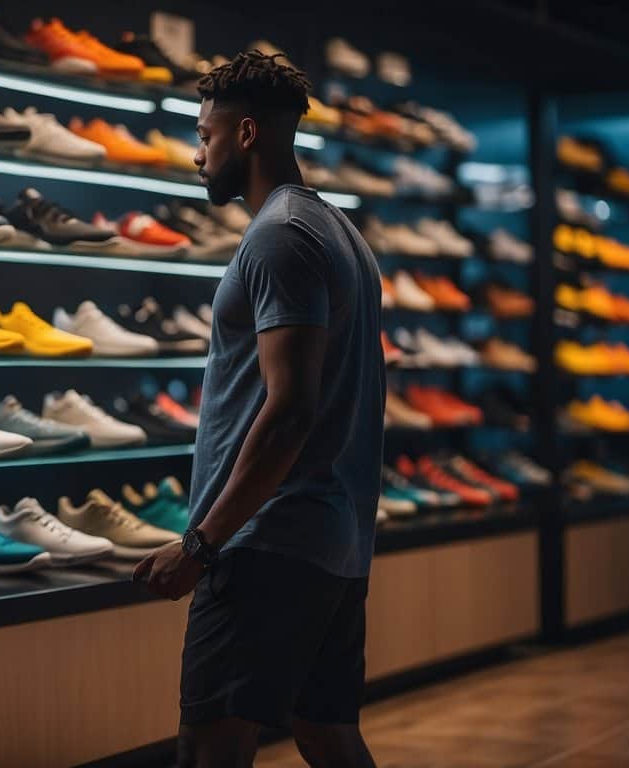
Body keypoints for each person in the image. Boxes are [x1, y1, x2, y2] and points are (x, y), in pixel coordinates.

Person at [132, 51, 384, 768]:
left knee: (209, 746)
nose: (196, 155)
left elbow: (291, 411)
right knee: (327, 733)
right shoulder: (340, 232)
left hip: (267, 546)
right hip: (330, 541)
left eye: (205, 136)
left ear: (245, 135)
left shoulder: (279, 238)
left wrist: (201, 543)